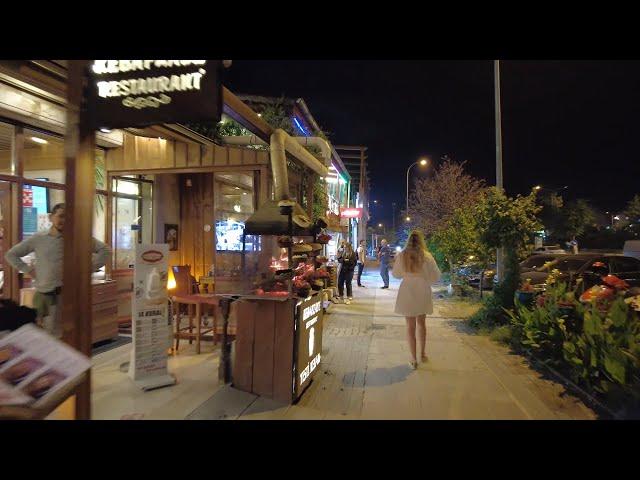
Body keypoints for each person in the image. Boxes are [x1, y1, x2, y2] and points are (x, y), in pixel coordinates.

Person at [5, 203, 110, 338]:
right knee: (47, 337)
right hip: (46, 296)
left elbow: (105, 250)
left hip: (72, 296)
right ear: (51, 217)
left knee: (73, 334)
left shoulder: (79, 238)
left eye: (68, 217)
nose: (64, 220)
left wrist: (88, 269)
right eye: (61, 216)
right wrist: (28, 269)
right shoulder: (39, 238)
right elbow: (11, 255)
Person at [392, 230, 441, 369]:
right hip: (422, 288)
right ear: (421, 240)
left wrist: (407, 274)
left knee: (410, 326)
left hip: (407, 288)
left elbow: (396, 274)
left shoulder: (402, 255)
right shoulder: (427, 256)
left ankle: (413, 359)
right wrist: (425, 280)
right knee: (422, 323)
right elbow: (435, 276)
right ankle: (423, 353)